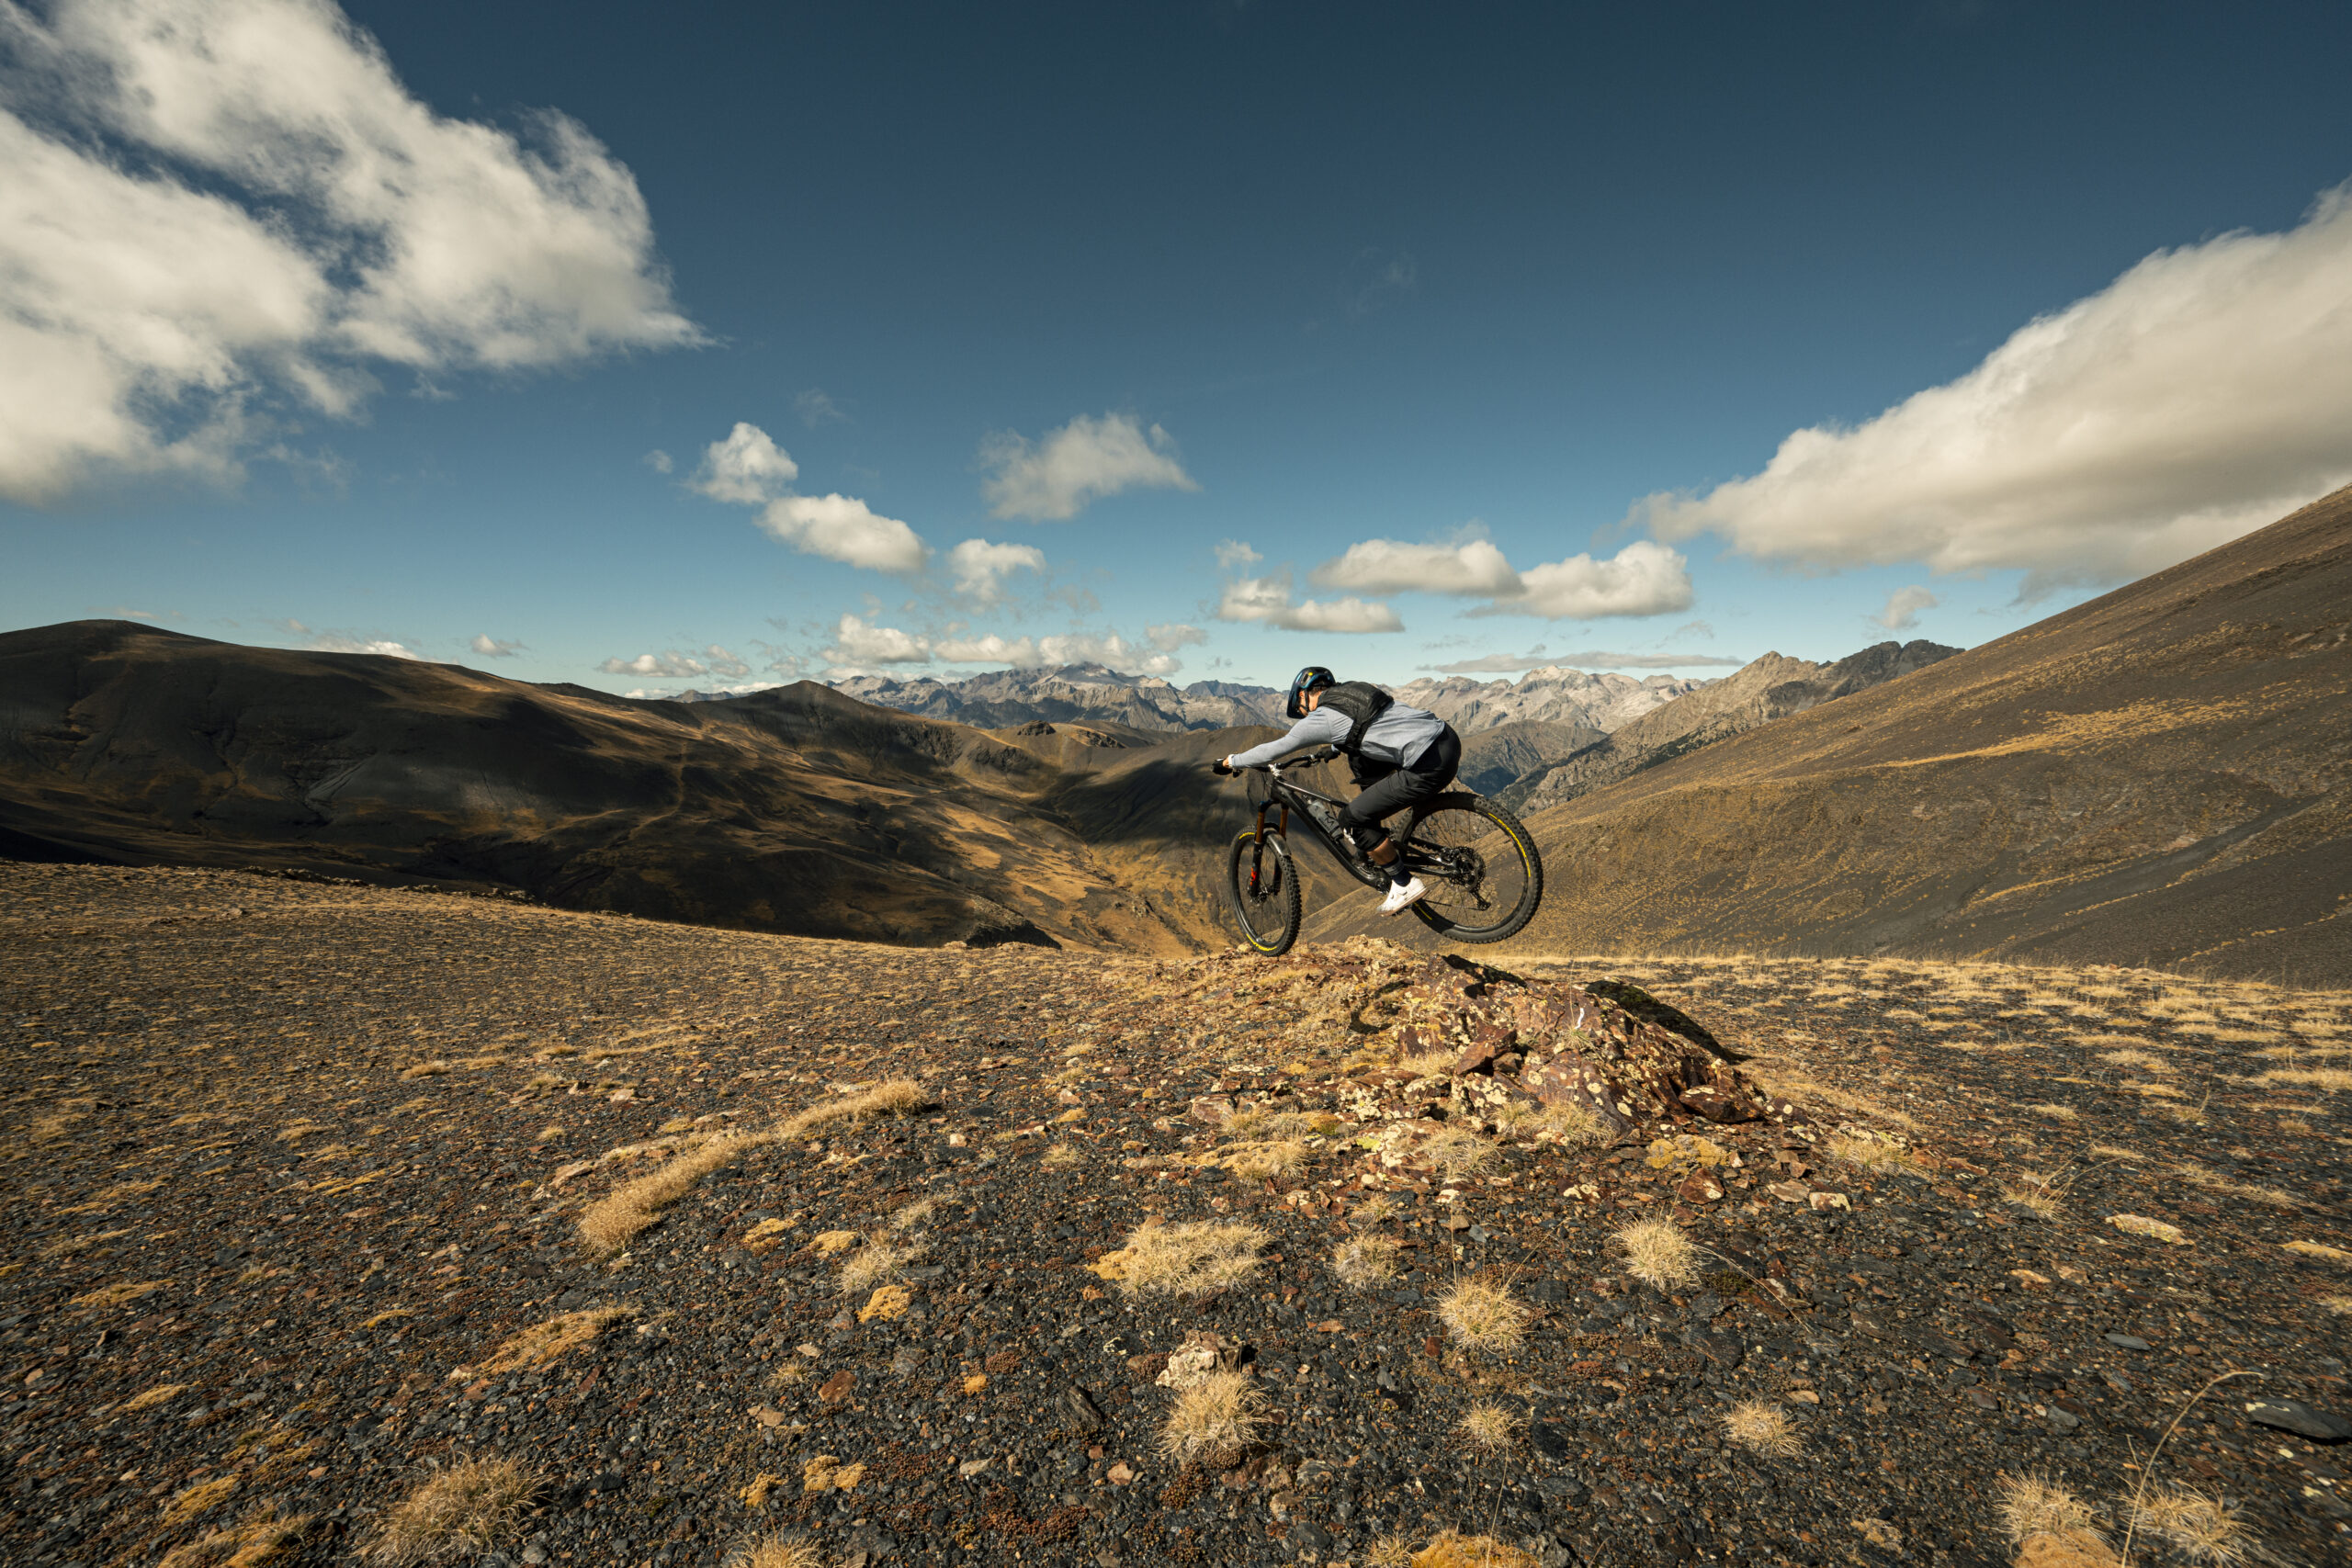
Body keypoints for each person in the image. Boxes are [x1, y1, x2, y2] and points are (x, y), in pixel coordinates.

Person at [1213, 665, 1462, 916]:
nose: (1305, 712)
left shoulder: (1321, 716)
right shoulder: (1355, 690)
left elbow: (1275, 749)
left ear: (1303, 695)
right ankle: (1376, 841)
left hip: (1427, 764)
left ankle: (1404, 883)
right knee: (1363, 781)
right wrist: (1333, 749)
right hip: (1446, 739)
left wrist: (1231, 761)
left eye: (1302, 705)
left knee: (1352, 820)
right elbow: (1369, 725)